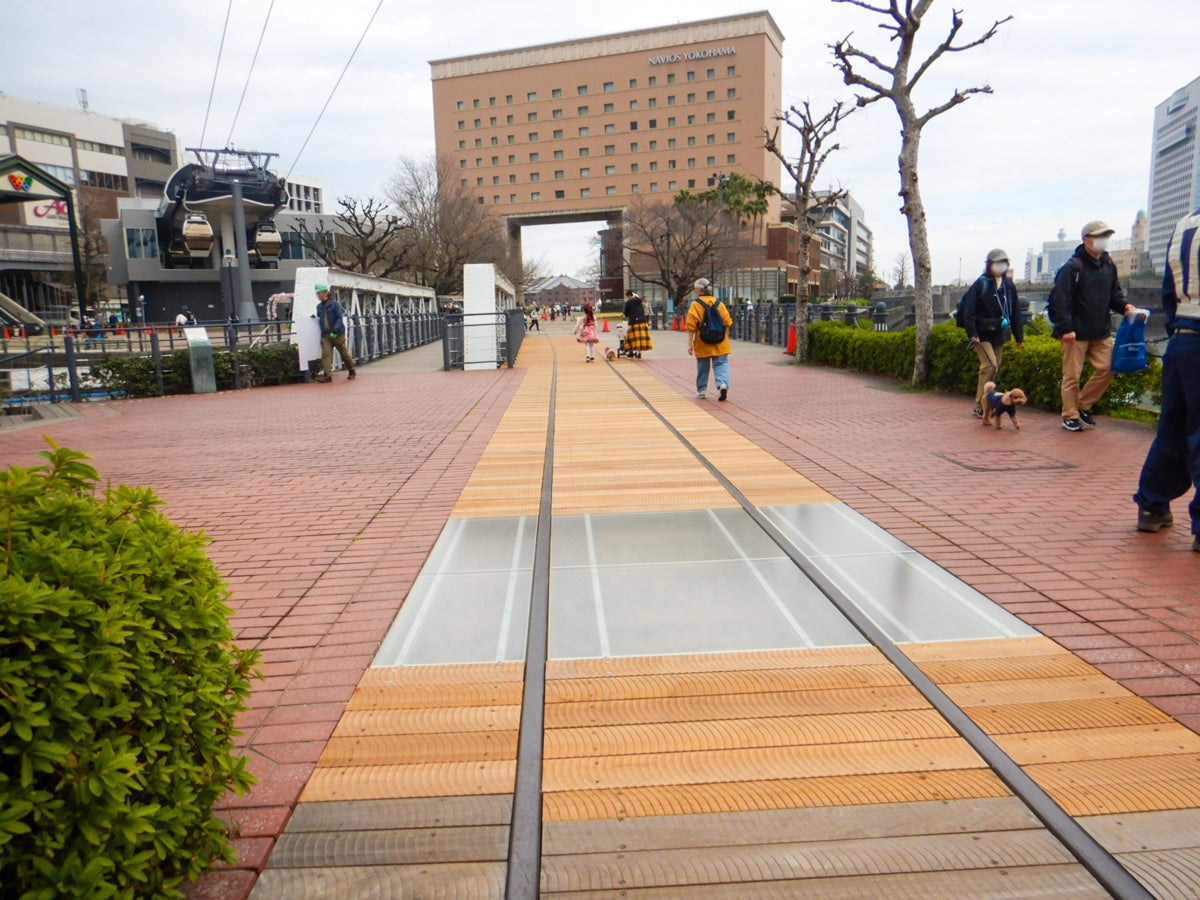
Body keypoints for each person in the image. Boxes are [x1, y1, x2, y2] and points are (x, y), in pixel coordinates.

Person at [1133, 207, 1200, 552]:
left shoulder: (1185, 223)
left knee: (1172, 426)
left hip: (1182, 338)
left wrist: (1178, 328)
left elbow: (1167, 290)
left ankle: (1153, 504)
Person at [1050, 220, 1136, 431]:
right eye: (1099, 236)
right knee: (1072, 376)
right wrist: (1066, 328)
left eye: (1106, 236)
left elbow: (1114, 295)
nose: (1103, 240)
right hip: (1075, 333)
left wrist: (1125, 306)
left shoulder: (1109, 265)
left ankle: (1082, 406)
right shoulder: (1072, 267)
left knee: (1109, 368)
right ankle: (1070, 415)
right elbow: (1059, 300)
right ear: (1086, 239)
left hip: (1100, 331)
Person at [962, 249, 1024, 417]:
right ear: (990, 265)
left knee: (995, 368)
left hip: (999, 333)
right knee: (990, 365)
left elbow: (1016, 311)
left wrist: (1019, 336)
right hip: (981, 334)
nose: (1000, 266)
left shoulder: (1008, 285)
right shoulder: (981, 284)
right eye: (997, 263)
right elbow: (969, 311)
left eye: (1003, 263)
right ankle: (980, 405)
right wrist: (972, 333)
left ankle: (988, 402)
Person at [686, 277, 733, 400]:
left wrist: (690, 343)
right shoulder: (719, 303)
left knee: (703, 365)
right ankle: (722, 384)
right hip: (720, 341)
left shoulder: (696, 304)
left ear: (699, 290)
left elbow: (691, 326)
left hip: (702, 341)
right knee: (721, 363)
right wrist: (726, 337)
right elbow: (728, 321)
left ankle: (702, 390)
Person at [314, 283, 356, 382]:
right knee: (326, 354)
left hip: (336, 333)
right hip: (325, 334)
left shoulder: (334, 304)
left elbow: (339, 318)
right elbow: (320, 317)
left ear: (325, 292)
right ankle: (327, 375)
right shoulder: (319, 307)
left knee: (343, 353)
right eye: (317, 293)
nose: (318, 295)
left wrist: (335, 329)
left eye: (319, 293)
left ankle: (352, 370)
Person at [623, 289, 653, 358]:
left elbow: (626, 313)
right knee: (640, 338)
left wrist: (626, 315)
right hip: (643, 321)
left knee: (632, 337)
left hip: (634, 322)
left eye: (628, 296)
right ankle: (639, 353)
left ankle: (631, 352)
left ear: (629, 295)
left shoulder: (629, 302)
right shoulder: (640, 301)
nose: (628, 298)